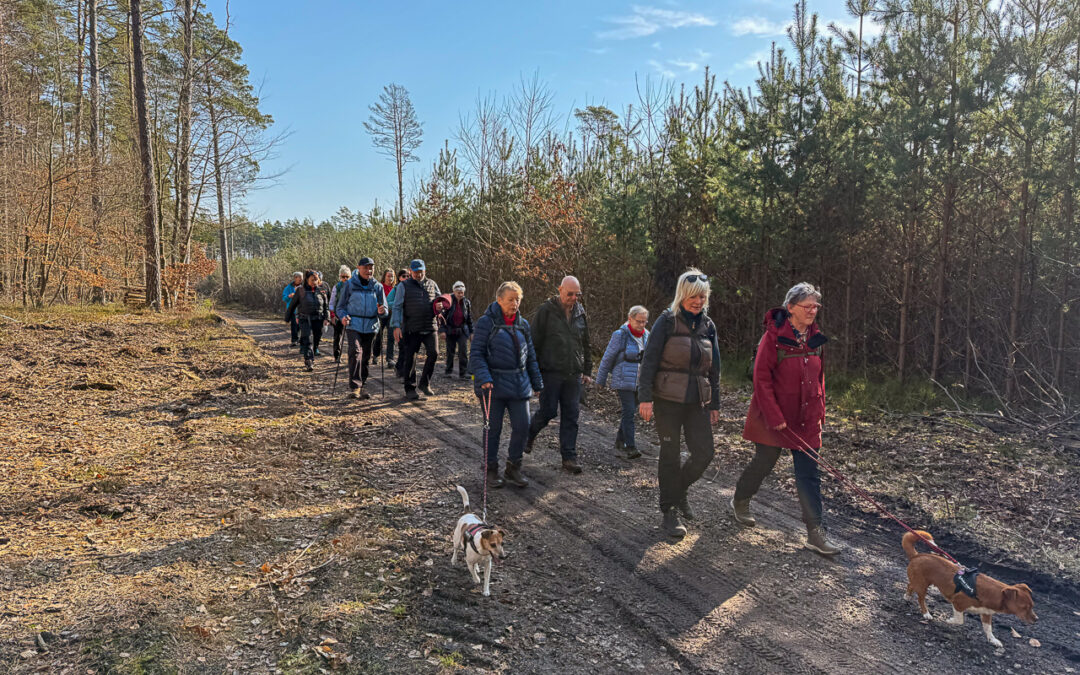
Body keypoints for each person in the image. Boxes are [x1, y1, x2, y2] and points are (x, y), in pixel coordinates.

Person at [732, 282, 840, 555]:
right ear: (790, 308)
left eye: (816, 306)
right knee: (765, 461)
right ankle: (740, 500)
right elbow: (761, 379)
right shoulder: (772, 338)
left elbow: (819, 379)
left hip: (806, 419)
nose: (813, 311)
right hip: (775, 418)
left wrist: (821, 412)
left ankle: (815, 533)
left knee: (808, 474)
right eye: (807, 306)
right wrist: (774, 415)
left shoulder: (816, 339)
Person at [637, 269, 721, 539]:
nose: (699, 301)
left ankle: (679, 490)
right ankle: (669, 510)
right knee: (670, 454)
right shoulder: (666, 321)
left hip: (697, 400)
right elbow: (649, 360)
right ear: (682, 295)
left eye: (703, 297)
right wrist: (645, 397)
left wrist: (714, 403)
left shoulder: (709, 326)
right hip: (666, 400)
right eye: (694, 296)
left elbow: (715, 368)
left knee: (704, 453)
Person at [469, 282, 543, 488]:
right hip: (493, 385)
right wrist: (483, 377)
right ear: (499, 299)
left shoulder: (523, 324)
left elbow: (531, 357)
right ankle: (491, 469)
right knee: (493, 428)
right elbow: (476, 353)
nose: (515, 303)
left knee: (522, 426)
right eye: (510, 299)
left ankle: (514, 467)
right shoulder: (486, 322)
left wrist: (537, 382)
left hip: (520, 384)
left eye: (517, 299)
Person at [526, 276, 592, 474]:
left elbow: (585, 344)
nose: (573, 298)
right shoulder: (546, 311)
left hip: (573, 373)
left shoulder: (581, 313)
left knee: (572, 415)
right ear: (560, 290)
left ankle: (569, 457)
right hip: (550, 372)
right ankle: (528, 435)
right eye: (569, 294)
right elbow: (533, 344)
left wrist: (587, 370)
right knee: (548, 412)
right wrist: (534, 376)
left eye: (577, 294)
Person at [596, 305, 650, 460]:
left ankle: (620, 441)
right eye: (638, 321)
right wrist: (600, 380)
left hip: (640, 382)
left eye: (644, 322)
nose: (641, 325)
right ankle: (630, 447)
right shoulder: (620, 335)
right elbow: (607, 357)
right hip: (623, 380)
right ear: (630, 319)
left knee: (631, 410)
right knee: (629, 411)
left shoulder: (647, 335)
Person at [335, 257, 388, 399]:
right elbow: (340, 307)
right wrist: (343, 316)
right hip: (354, 324)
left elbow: (385, 309)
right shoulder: (350, 284)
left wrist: (382, 311)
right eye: (365, 267)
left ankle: (362, 384)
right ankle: (355, 387)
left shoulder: (378, 286)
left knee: (365, 357)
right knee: (355, 352)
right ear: (358, 268)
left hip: (371, 326)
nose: (369, 270)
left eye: (371, 267)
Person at [392, 259, 441, 401]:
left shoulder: (432, 284)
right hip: (411, 328)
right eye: (416, 272)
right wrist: (396, 326)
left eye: (421, 272)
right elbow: (397, 306)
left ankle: (424, 383)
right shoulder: (403, 286)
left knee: (434, 353)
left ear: (425, 270)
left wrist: (441, 307)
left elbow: (440, 300)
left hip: (430, 326)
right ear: (410, 271)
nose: (419, 275)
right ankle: (410, 388)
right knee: (410, 358)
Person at [284, 270, 329, 371]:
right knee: (307, 339)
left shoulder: (321, 291)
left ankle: (313, 350)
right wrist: (287, 318)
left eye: (316, 280)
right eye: (312, 280)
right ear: (307, 280)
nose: (314, 282)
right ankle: (309, 360)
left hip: (318, 318)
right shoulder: (301, 291)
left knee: (317, 338)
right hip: (304, 318)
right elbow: (292, 306)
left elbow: (326, 306)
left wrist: (327, 318)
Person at [442, 281, 474, 378]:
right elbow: (442, 317)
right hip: (450, 330)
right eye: (458, 292)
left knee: (463, 351)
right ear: (454, 292)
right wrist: (442, 331)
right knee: (450, 351)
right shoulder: (448, 301)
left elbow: (469, 318)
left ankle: (463, 373)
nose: (460, 294)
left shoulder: (467, 303)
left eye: (462, 292)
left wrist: (472, 332)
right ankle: (448, 371)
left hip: (462, 330)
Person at [386, 269, 408, 376]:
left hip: (411, 322)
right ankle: (400, 369)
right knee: (402, 346)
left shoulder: (412, 288)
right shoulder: (395, 289)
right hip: (398, 321)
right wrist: (398, 303)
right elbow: (387, 302)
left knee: (408, 347)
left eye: (408, 276)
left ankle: (402, 368)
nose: (406, 278)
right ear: (399, 278)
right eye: (404, 276)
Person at [328, 265, 351, 363]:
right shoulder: (337, 287)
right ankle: (337, 355)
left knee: (352, 337)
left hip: (351, 314)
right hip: (339, 314)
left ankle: (353, 357)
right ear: (340, 277)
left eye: (347, 277)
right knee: (338, 336)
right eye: (343, 277)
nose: (345, 279)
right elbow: (332, 302)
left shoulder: (353, 286)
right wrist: (332, 315)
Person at [375, 268, 396, 367]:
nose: (390, 278)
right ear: (384, 276)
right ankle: (375, 354)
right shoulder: (380, 287)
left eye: (392, 276)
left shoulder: (395, 288)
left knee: (391, 336)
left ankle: (390, 359)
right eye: (388, 276)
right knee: (379, 334)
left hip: (392, 314)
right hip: (381, 314)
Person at [283, 271, 303, 346]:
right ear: (295, 278)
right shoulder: (288, 288)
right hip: (293, 310)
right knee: (294, 325)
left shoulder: (303, 287)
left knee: (301, 325)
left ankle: (301, 339)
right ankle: (294, 340)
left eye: (302, 277)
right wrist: (289, 296)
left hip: (302, 309)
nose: (301, 279)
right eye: (300, 277)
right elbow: (284, 298)